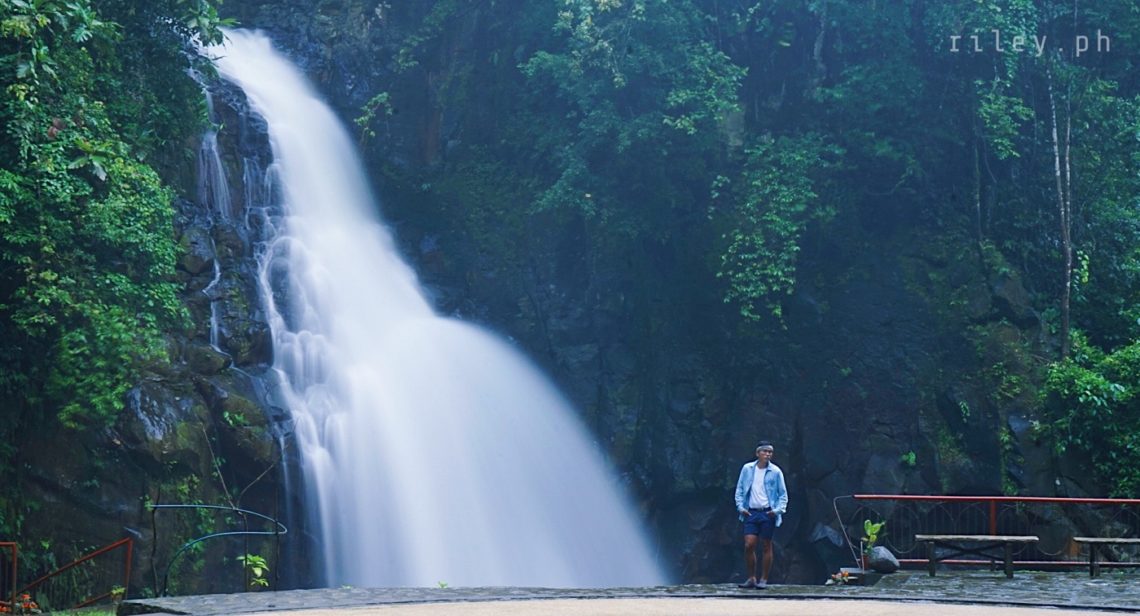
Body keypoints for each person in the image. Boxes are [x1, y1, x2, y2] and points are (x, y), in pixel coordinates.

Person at [734, 441, 788, 589]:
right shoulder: (747, 469)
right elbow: (739, 489)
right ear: (757, 453)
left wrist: (777, 510)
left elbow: (783, 494)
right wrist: (740, 507)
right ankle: (751, 578)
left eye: (770, 452)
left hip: (767, 513)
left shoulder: (776, 472)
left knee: (766, 545)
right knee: (749, 544)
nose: (768, 454)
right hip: (750, 512)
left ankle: (763, 579)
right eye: (765, 451)